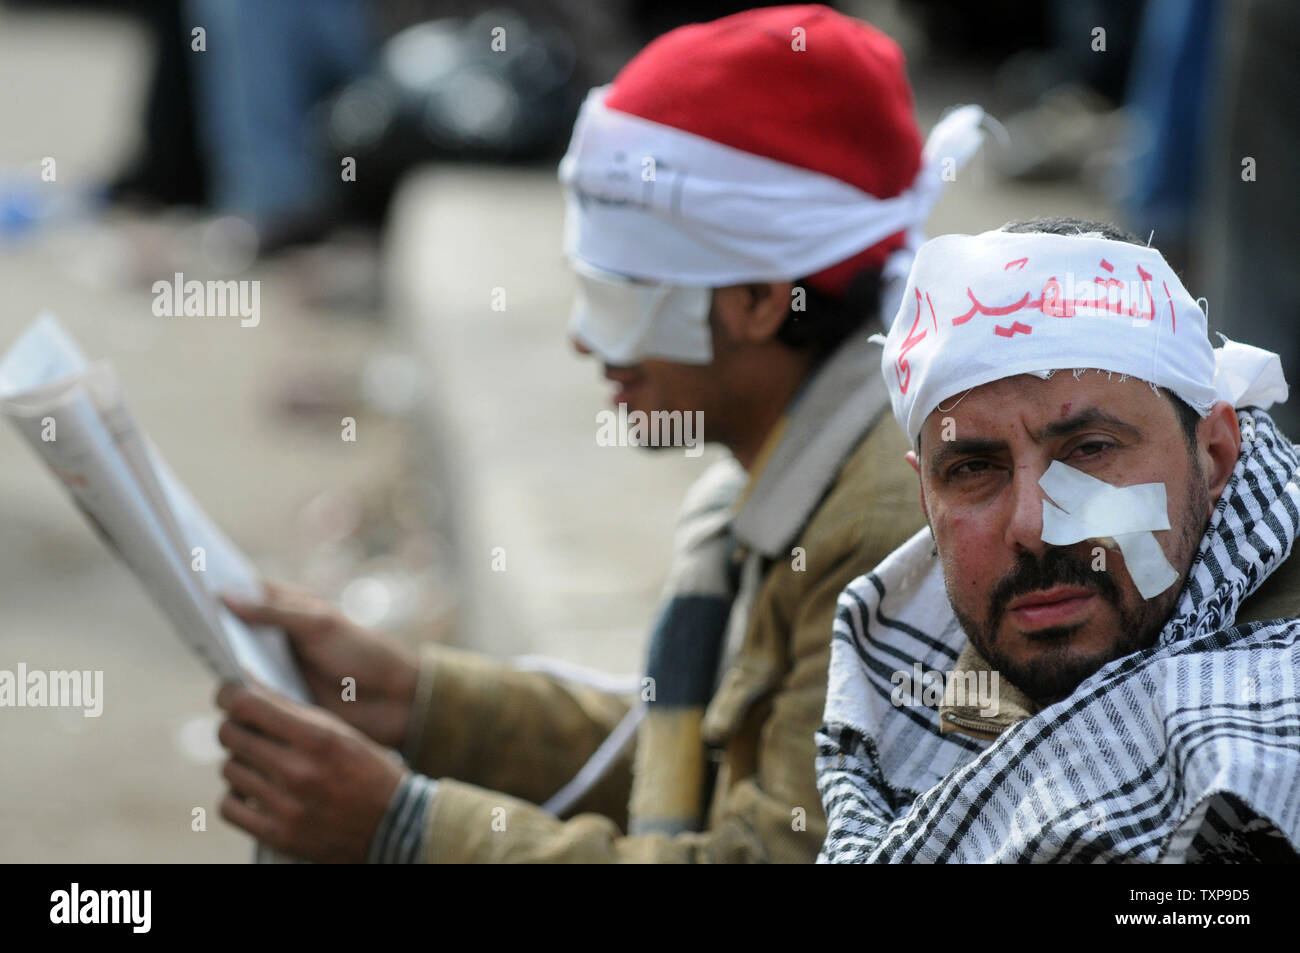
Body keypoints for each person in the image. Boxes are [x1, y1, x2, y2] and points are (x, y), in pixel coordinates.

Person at [210, 5, 984, 862]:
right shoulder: (792, 460)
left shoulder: (884, 531)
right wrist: (413, 699)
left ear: (762, 299)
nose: (585, 338)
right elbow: (704, 747)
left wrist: (405, 827)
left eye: (619, 293)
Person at [816, 216, 1299, 863]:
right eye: (973, 469)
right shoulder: (892, 663)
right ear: (924, 498)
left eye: (1090, 450)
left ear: (1214, 455)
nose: (1032, 527)